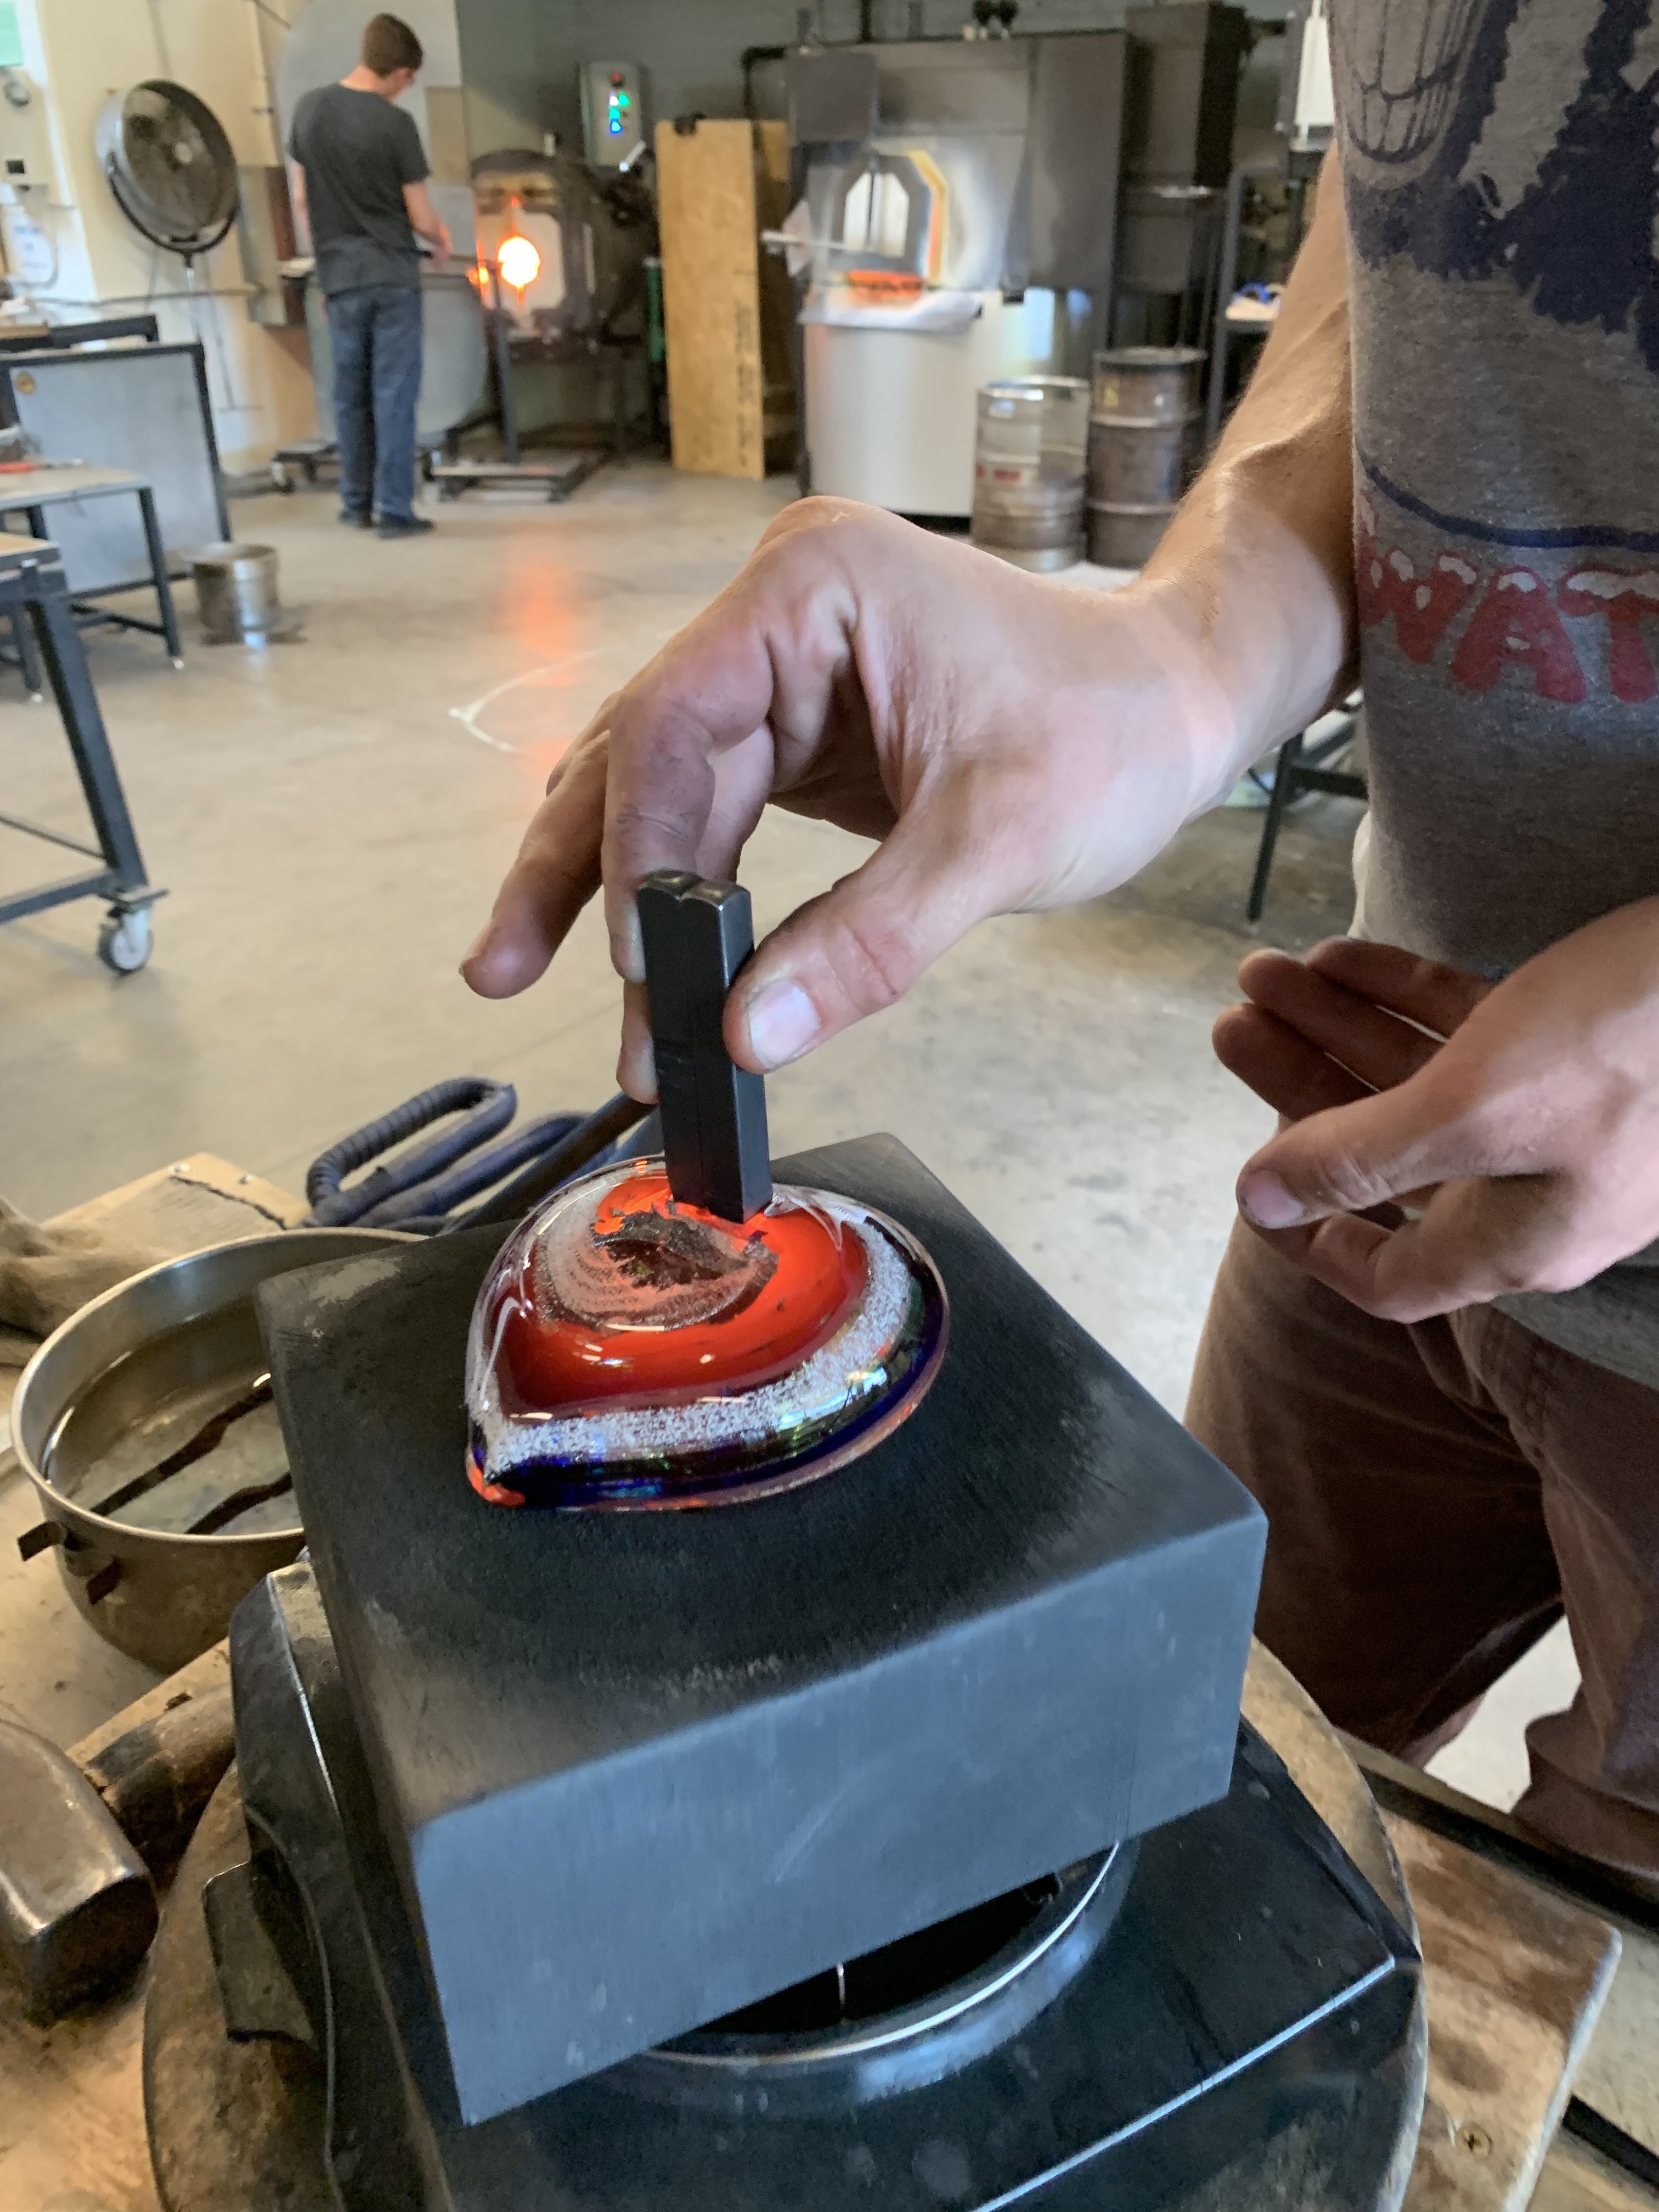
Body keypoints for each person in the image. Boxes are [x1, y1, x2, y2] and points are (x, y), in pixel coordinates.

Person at [460, 0, 1659, 1889]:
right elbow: (1432, 300)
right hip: (1373, 1132)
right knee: (1173, 1769)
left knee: (1577, 2021)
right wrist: (1172, 652)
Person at [288, 13, 449, 539]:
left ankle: (355, 504)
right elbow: (421, 215)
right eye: (410, 81)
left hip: (339, 276)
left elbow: (301, 200)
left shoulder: (310, 110)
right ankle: (396, 512)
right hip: (392, 274)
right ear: (400, 72)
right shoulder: (394, 124)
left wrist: (326, 265)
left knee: (349, 394)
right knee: (395, 395)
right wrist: (442, 241)